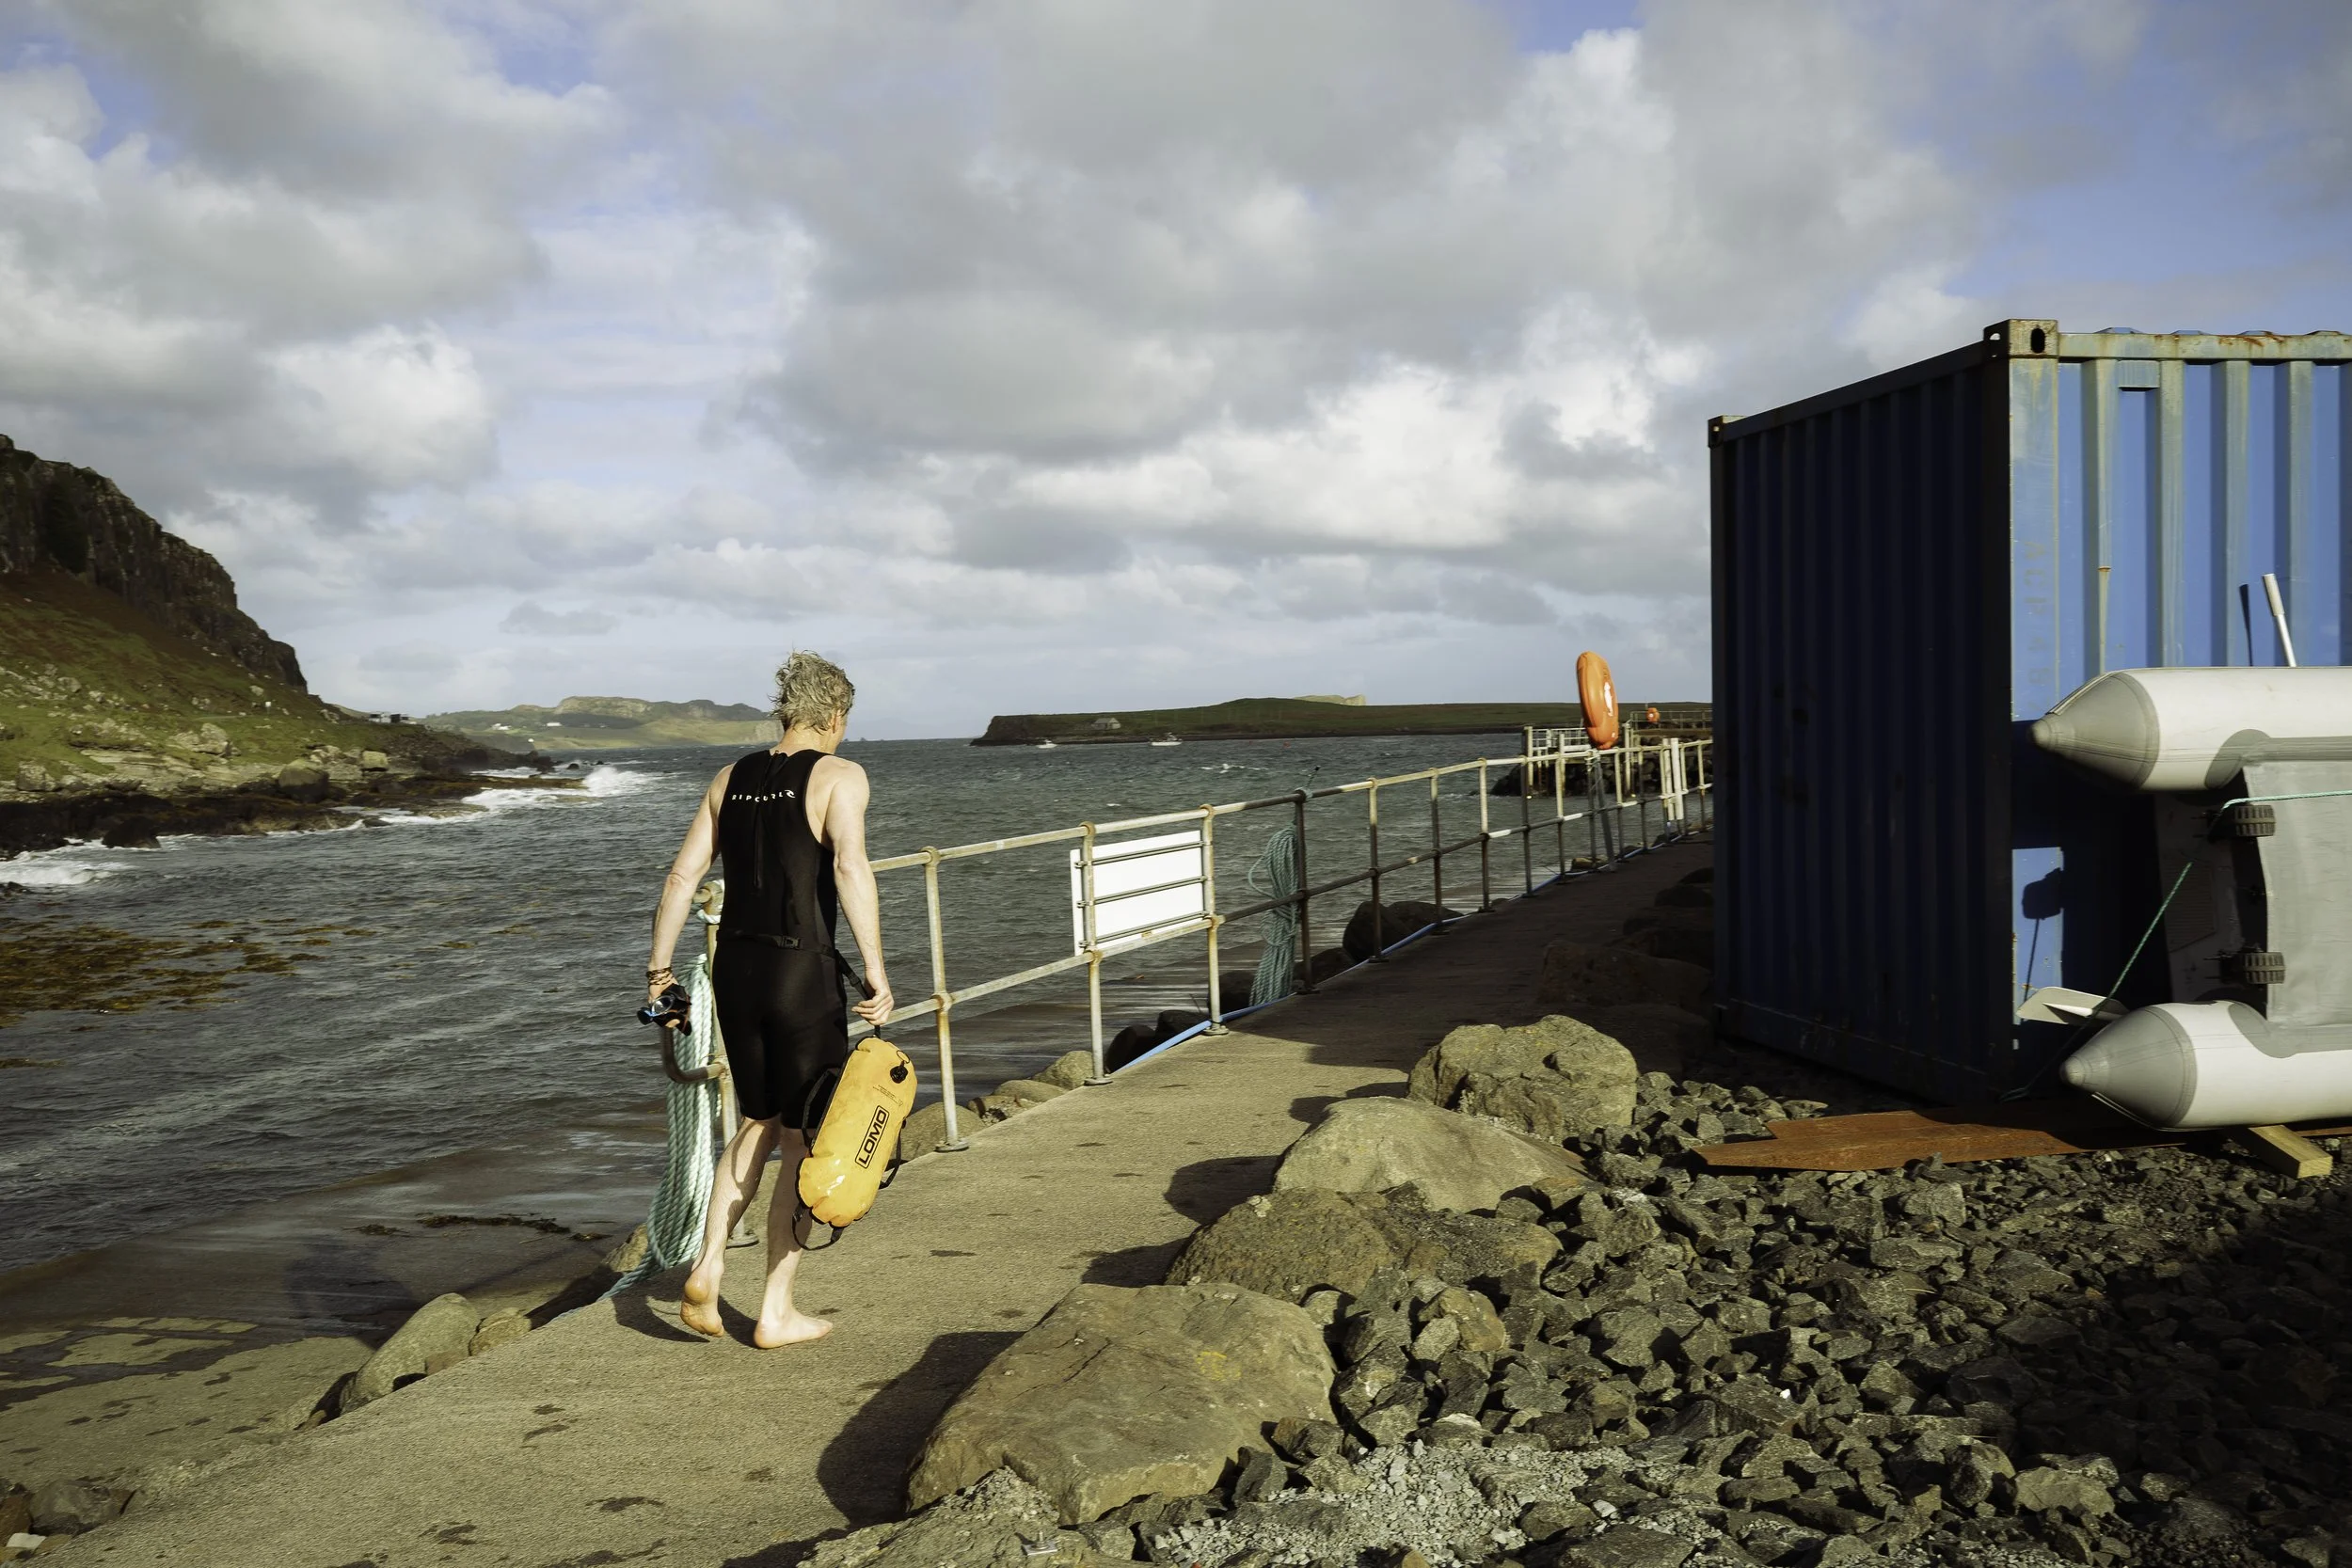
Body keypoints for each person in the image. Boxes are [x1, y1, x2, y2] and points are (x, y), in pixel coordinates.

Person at [644, 651, 893, 1346]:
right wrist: (876, 969)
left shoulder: (731, 777)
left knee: (755, 1120)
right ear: (835, 716)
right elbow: (849, 868)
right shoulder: (842, 775)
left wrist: (659, 973)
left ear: (787, 712)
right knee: (803, 1139)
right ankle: (775, 1311)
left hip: (737, 973)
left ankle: (709, 1264)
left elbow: (681, 877)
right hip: (801, 975)